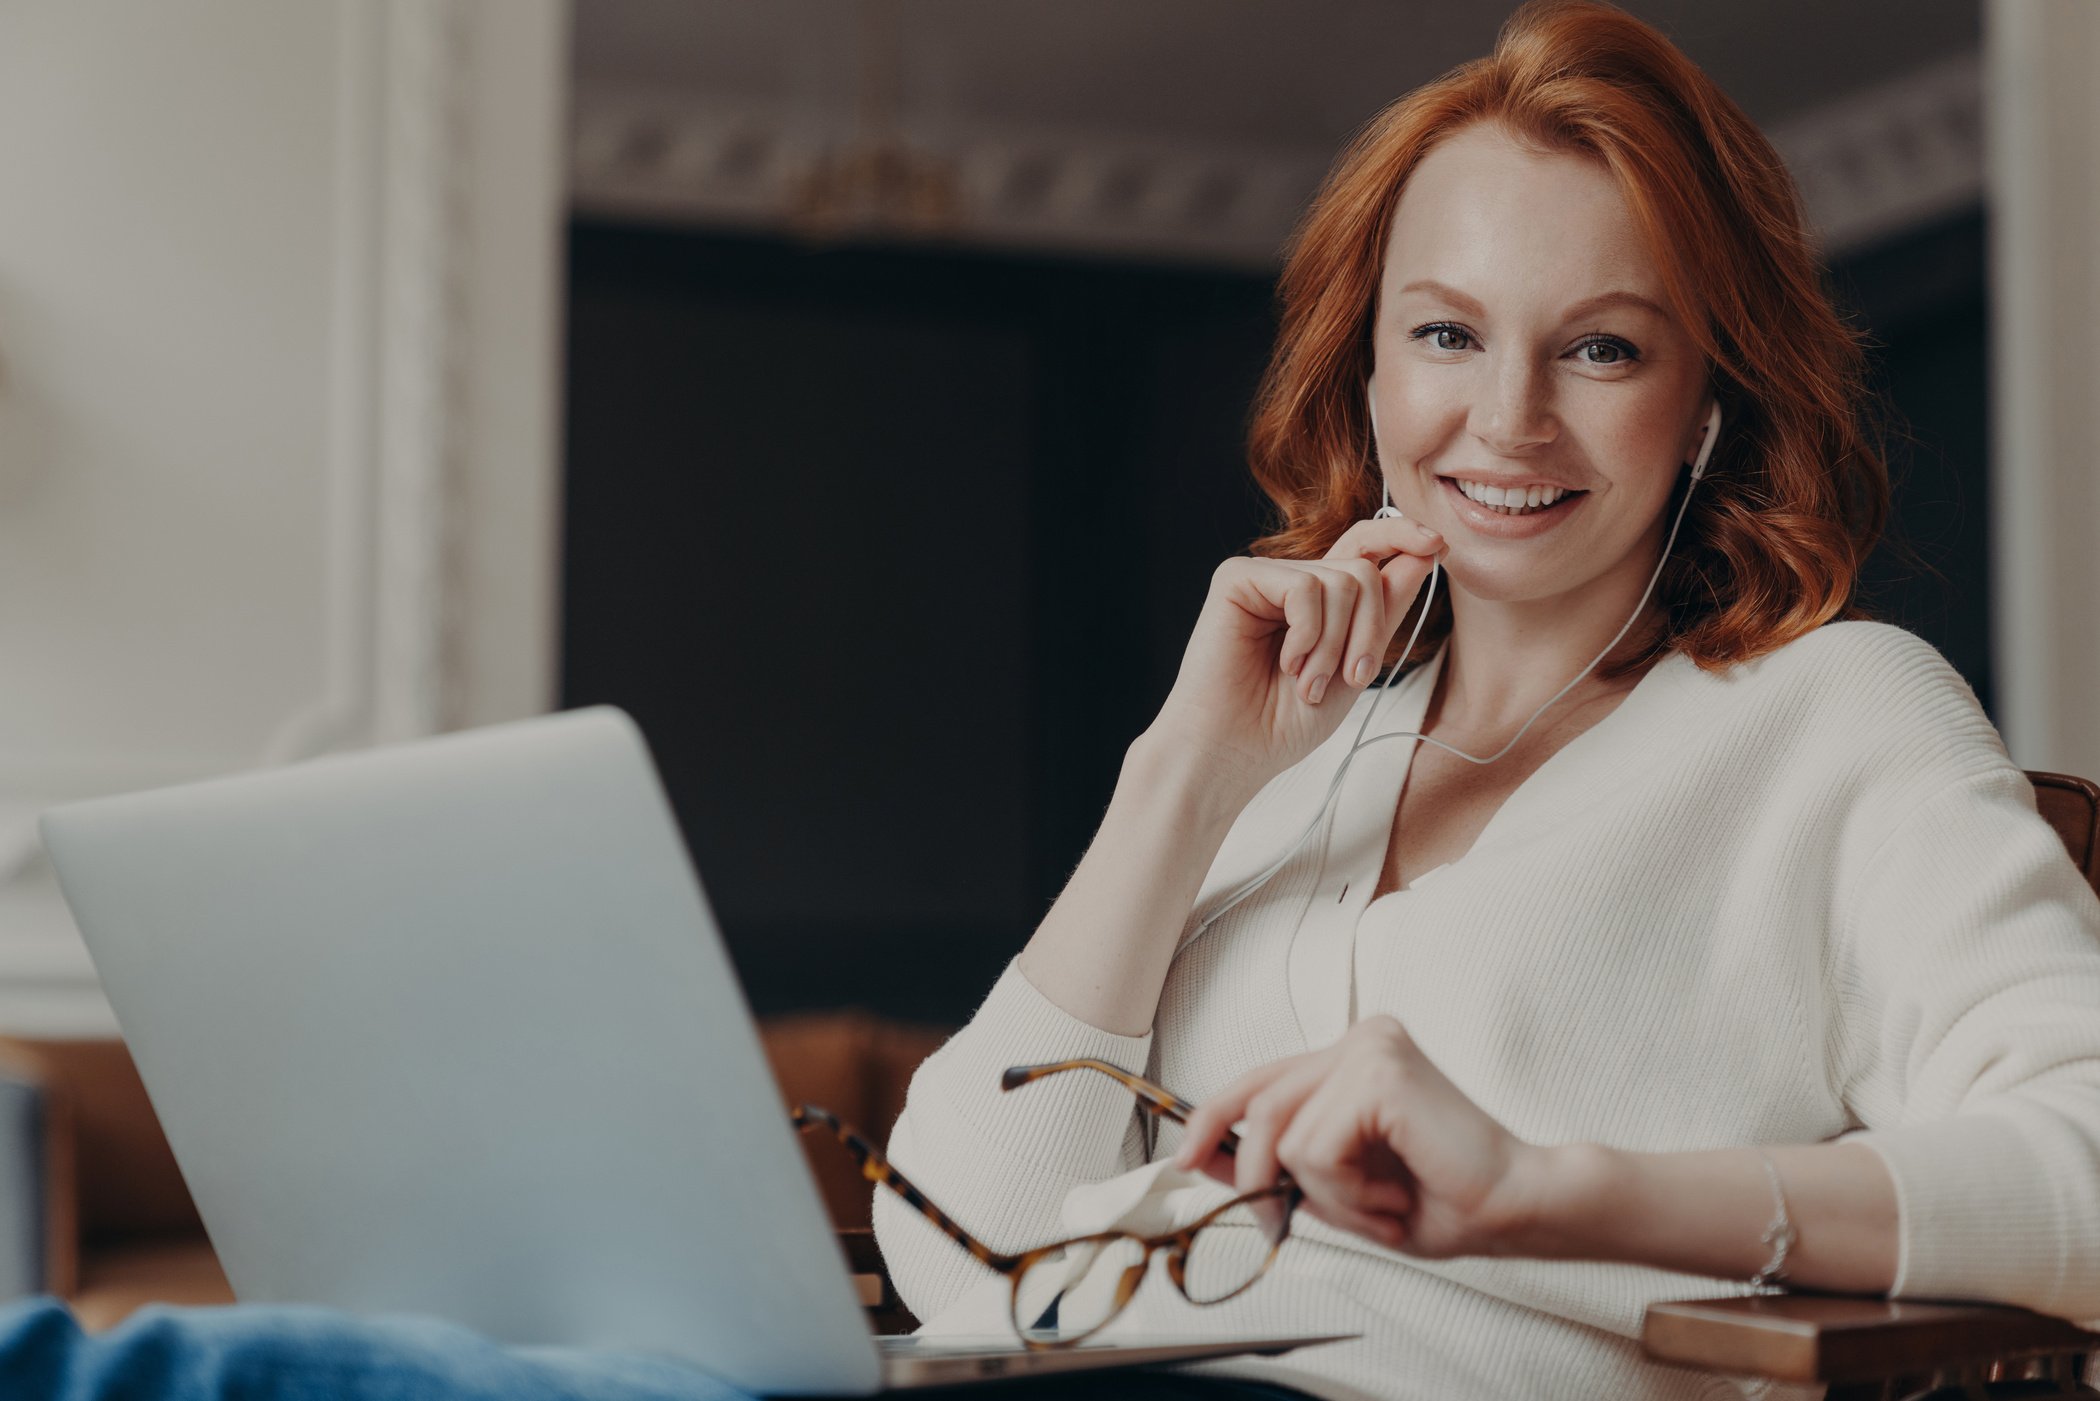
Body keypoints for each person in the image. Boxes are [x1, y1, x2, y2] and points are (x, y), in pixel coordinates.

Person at [870, 1, 2100, 1399]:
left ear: (1708, 403)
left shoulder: (1836, 717)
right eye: (1448, 334)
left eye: (1602, 349)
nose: (1508, 418)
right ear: (1372, 368)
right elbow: (958, 1252)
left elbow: (2087, 1168)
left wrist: (1550, 1187)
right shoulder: (1293, 736)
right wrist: (1185, 775)